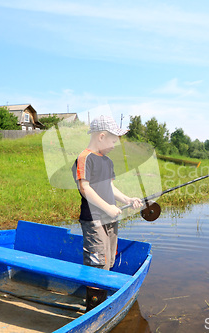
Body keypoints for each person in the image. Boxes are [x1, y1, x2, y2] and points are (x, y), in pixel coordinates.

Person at [73, 115, 143, 312]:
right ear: (101, 136)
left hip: (110, 218)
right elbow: (84, 188)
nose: (114, 145)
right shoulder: (85, 157)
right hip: (94, 221)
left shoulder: (107, 161)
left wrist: (127, 200)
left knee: (109, 259)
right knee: (97, 264)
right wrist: (107, 207)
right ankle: (93, 309)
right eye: (113, 141)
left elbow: (110, 187)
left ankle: (103, 301)